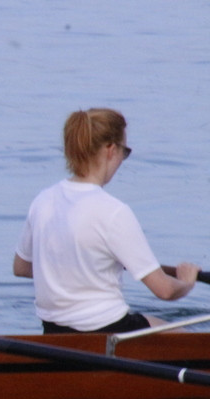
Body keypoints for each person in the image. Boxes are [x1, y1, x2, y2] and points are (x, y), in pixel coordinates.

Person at [13, 108, 200, 333]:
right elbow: (165, 291)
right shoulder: (114, 212)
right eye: (125, 152)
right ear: (111, 150)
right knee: (185, 338)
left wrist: (89, 264)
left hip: (55, 333)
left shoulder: (43, 201)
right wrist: (187, 282)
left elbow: (21, 267)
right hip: (109, 332)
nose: (123, 160)